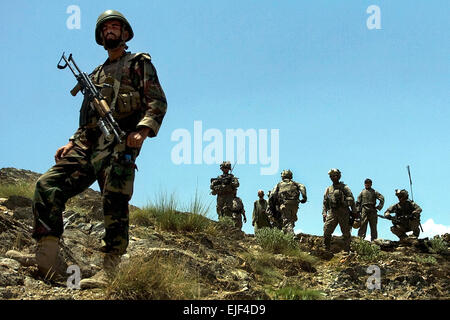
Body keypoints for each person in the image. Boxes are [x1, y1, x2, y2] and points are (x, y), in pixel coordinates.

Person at [7, 10, 167, 286]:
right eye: (105, 28)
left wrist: (142, 132)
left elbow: (157, 101)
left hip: (120, 144)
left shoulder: (138, 64)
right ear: (100, 36)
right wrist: (71, 142)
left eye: (115, 27)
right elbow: (87, 119)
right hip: (88, 146)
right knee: (47, 184)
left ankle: (111, 269)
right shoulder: (96, 74)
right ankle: (46, 255)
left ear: (125, 33)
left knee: (114, 200)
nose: (110, 31)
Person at [322, 169, 358, 252]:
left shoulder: (344, 187)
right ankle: (326, 249)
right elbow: (325, 202)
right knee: (327, 231)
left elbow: (352, 199)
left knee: (346, 232)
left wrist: (354, 212)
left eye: (335, 175)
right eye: (332, 176)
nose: (333, 177)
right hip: (332, 212)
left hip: (344, 212)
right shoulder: (328, 189)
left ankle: (347, 250)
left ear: (338, 176)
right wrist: (324, 213)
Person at [269, 170, 307, 235]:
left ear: (283, 176)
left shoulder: (279, 184)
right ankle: (288, 234)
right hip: (295, 205)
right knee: (291, 220)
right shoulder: (295, 183)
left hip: (285, 205)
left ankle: (291, 235)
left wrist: (272, 206)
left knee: (287, 221)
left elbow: (272, 195)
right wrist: (304, 197)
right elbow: (302, 187)